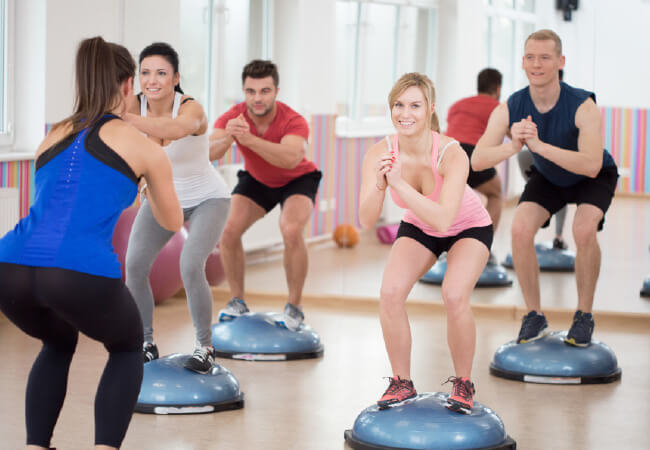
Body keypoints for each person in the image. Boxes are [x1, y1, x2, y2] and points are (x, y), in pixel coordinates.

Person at [0, 37, 182, 450]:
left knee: (59, 340)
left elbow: (62, 201)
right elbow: (171, 220)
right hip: (75, 270)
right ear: (126, 85)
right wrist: (151, 179)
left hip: (10, 265)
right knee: (127, 346)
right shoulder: (140, 143)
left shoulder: (53, 135)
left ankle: (35, 445)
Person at [472, 30, 618, 347]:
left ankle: (584, 315)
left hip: (592, 176)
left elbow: (591, 164)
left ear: (560, 62)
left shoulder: (583, 105)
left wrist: (539, 145)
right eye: (530, 57)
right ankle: (534, 316)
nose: (536, 64)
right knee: (521, 229)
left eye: (545, 57)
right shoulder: (511, 106)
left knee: (582, 230)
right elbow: (478, 158)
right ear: (522, 62)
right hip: (549, 176)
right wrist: (514, 147)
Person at [359, 73, 493, 414]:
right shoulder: (380, 150)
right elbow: (365, 220)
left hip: (468, 226)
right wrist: (379, 183)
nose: (406, 113)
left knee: (454, 293)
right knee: (390, 293)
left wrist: (399, 185)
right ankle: (401, 382)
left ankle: (464, 383)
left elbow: (445, 219)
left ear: (431, 109)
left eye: (415, 105)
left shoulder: (452, 153)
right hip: (420, 225)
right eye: (399, 105)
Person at [124, 42, 231, 373]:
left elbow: (173, 131)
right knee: (135, 266)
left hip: (207, 199)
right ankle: (145, 342)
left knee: (189, 264)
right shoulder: (133, 104)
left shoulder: (191, 109)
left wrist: (120, 118)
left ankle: (204, 347)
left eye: (161, 73)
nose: (152, 80)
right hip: (160, 199)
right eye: (145, 73)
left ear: (175, 78)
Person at [210, 60, 321, 331]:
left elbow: (291, 159)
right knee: (228, 231)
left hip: (297, 179)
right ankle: (237, 301)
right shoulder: (233, 117)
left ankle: (294, 306)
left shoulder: (293, 120)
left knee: (292, 230)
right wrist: (228, 138)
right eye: (251, 91)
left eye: (264, 91)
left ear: (276, 91)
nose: (257, 98)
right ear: (244, 92)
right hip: (258, 180)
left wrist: (248, 140)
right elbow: (209, 153)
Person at [446, 68, 503, 263]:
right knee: (496, 194)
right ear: (498, 88)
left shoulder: (457, 106)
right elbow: (514, 135)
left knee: (453, 199)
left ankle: (447, 248)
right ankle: (482, 248)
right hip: (471, 153)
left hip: (446, 154)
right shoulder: (497, 107)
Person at [516, 69, 568, 251]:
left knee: (555, 190)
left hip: (546, 157)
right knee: (555, 192)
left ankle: (556, 234)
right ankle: (556, 235)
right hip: (536, 157)